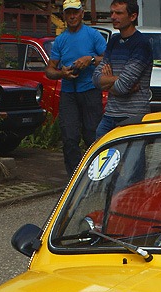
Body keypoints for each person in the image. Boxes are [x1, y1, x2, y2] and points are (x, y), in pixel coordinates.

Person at [46, 0, 107, 176]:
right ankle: (74, 177)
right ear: (64, 16)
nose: (72, 16)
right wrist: (61, 73)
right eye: (68, 13)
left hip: (90, 90)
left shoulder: (93, 35)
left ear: (82, 13)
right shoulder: (60, 40)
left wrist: (90, 60)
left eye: (75, 12)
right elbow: (49, 70)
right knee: (70, 137)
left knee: (92, 135)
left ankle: (98, 174)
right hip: (69, 93)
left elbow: (109, 58)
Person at [94, 0, 152, 137]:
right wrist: (116, 80)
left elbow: (122, 87)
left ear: (132, 17)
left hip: (133, 117)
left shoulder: (141, 44)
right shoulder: (114, 40)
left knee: (132, 158)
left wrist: (109, 83)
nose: (113, 17)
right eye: (112, 13)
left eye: (119, 13)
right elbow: (95, 79)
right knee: (102, 154)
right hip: (110, 115)